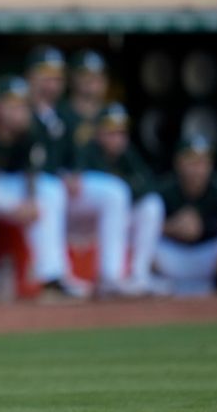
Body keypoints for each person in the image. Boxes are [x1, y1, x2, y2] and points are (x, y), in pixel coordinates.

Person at [0, 76, 74, 296]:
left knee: (51, 189)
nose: (18, 111)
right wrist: (15, 205)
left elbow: (32, 172)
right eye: (12, 105)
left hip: (8, 184)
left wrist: (31, 201)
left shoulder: (31, 131)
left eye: (22, 105)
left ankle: (52, 276)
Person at [27, 46, 130, 293]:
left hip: (61, 190)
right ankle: (54, 275)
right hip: (26, 187)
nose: (51, 83)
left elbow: (71, 156)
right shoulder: (27, 110)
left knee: (115, 192)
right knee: (49, 188)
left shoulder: (62, 116)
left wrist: (72, 173)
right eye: (45, 76)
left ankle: (111, 276)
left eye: (56, 77)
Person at [76, 103, 166, 294]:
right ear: (98, 132)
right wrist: (125, 185)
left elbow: (149, 186)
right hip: (81, 221)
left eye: (121, 132)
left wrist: (127, 186)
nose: (117, 138)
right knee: (116, 193)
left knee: (152, 205)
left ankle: (139, 276)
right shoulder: (87, 152)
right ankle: (110, 276)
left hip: (113, 220)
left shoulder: (128, 156)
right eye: (110, 132)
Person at [155, 135, 217, 296]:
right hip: (173, 258)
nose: (198, 168)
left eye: (203, 161)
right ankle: (153, 285)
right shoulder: (165, 188)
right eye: (192, 161)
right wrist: (172, 227)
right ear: (179, 162)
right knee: (145, 246)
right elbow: (142, 223)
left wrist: (204, 225)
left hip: (206, 256)